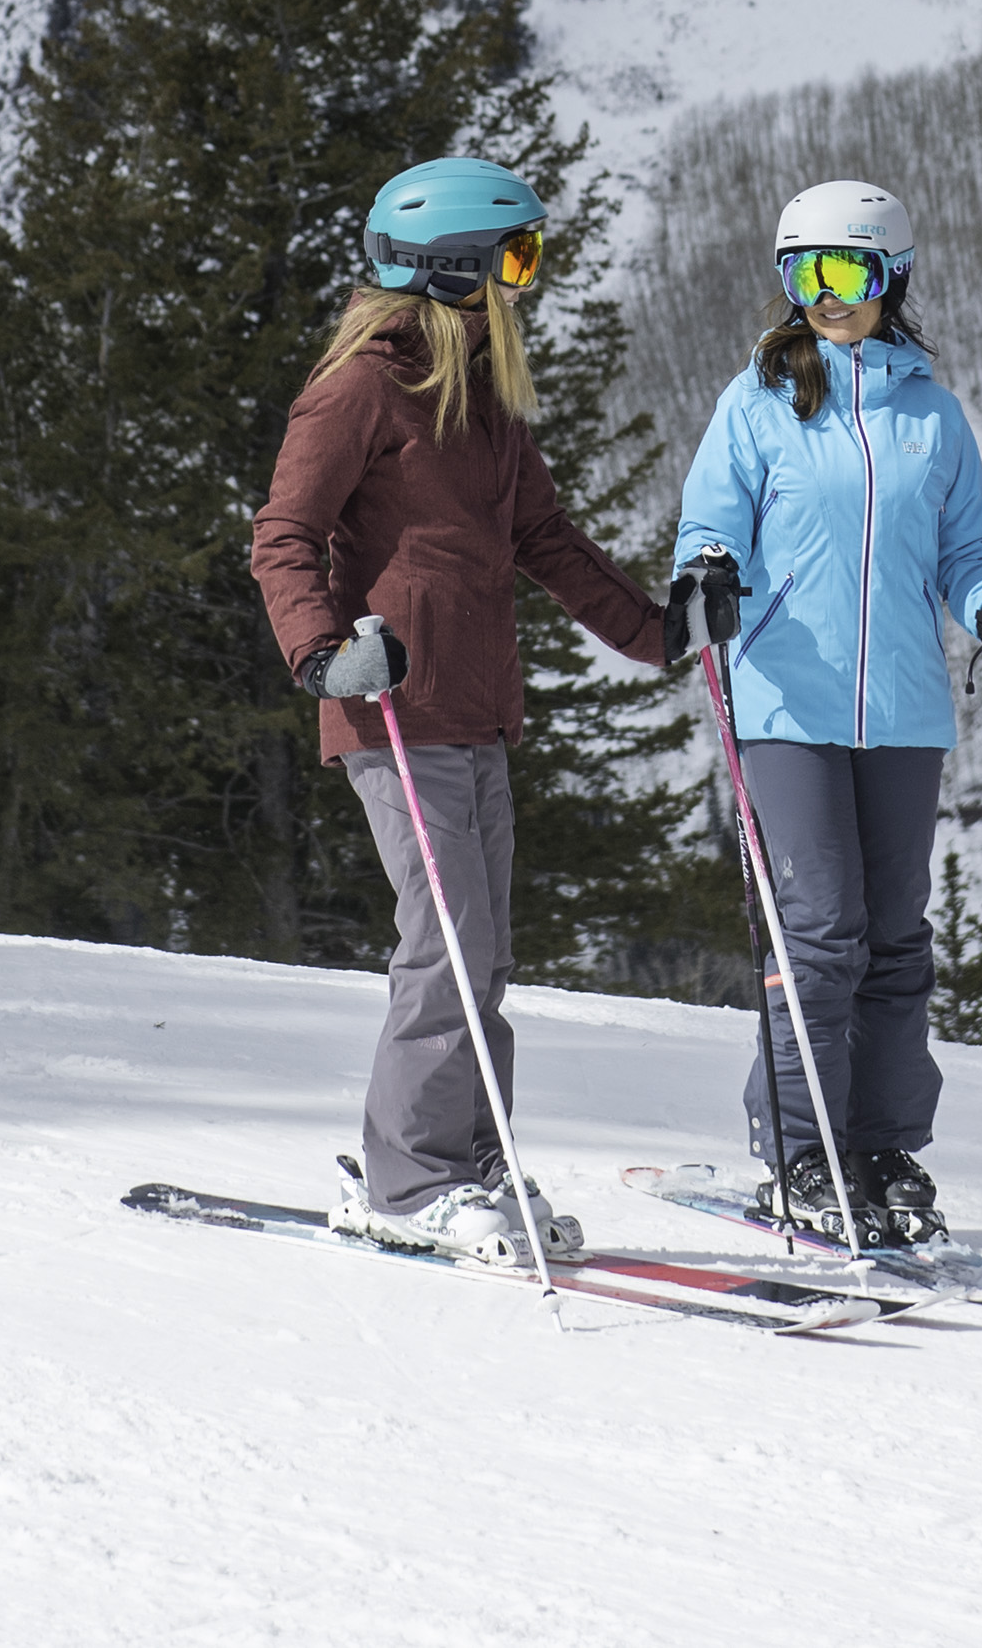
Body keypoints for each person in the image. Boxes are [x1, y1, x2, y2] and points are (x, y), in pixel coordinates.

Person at [249, 157, 676, 1267]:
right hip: (393, 701)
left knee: (481, 953)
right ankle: (408, 1178)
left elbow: (545, 538)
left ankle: (474, 1161)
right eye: (515, 256)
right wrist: (323, 655)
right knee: (443, 942)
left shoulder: (480, 393)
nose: (526, 277)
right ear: (450, 266)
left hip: (477, 706)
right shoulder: (360, 386)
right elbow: (284, 533)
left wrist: (658, 631)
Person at [666, 179, 982, 1247]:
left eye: (847, 269)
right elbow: (707, 524)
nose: (825, 293)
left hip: (905, 708)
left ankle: (882, 1147)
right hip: (786, 699)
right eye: (804, 272)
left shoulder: (932, 413)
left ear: (893, 276)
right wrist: (709, 569)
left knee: (894, 939)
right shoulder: (755, 402)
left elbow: (965, 549)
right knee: (823, 930)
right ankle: (802, 1149)